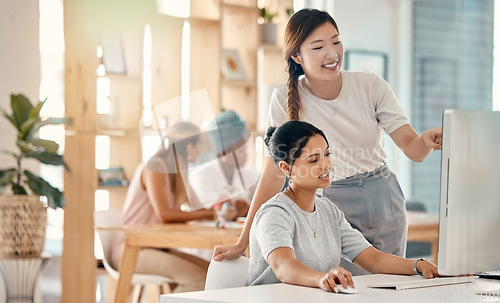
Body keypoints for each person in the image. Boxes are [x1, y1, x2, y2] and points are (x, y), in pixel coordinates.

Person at [214, 8, 442, 275]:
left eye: (336, 41)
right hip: (332, 201)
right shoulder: (283, 100)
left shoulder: (370, 85)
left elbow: (413, 149)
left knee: (391, 288)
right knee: (344, 289)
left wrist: (425, 140)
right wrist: (243, 242)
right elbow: (274, 174)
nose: (332, 53)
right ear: (297, 55)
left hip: (384, 199)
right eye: (318, 46)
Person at [247, 120, 439, 290]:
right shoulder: (274, 213)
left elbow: (373, 259)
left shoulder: (328, 211)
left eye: (327, 154)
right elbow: (283, 266)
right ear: (287, 168)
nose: (326, 165)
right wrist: (322, 279)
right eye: (314, 159)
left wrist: (419, 265)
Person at [111, 121, 214, 293]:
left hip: (155, 247)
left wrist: (220, 208)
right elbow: (165, 215)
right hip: (133, 249)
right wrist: (208, 214)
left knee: (212, 273)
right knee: (200, 279)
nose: (201, 150)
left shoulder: (178, 172)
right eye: (199, 145)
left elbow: (199, 207)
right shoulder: (155, 167)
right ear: (189, 147)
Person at [189, 110, 258, 218]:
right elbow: (208, 214)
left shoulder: (249, 176)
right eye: (240, 151)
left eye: (245, 149)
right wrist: (235, 209)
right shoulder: (201, 177)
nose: (246, 155)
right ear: (224, 152)